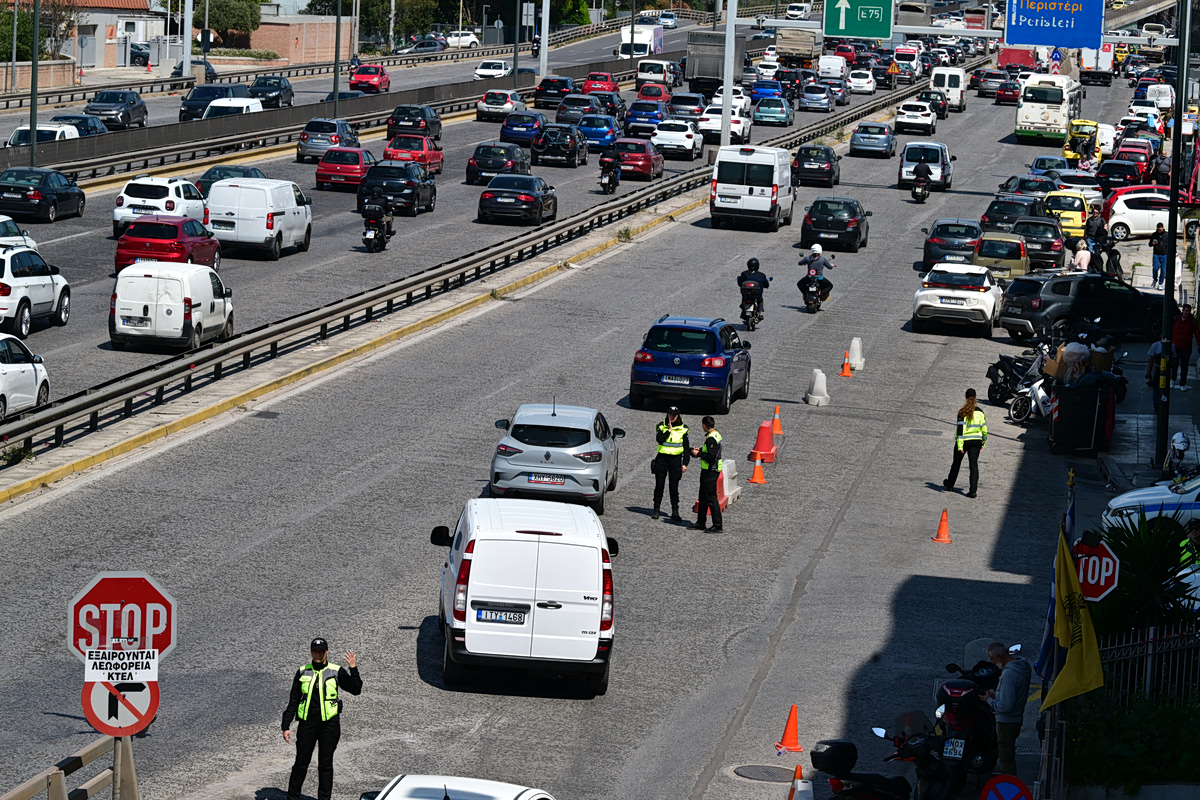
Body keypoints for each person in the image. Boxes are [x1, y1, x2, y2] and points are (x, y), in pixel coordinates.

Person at [283, 638, 363, 800]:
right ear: (311, 652)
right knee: (300, 763)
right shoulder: (302, 671)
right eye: (315, 651)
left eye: (321, 651)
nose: (318, 654)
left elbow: (356, 689)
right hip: (308, 723)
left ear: (327, 652)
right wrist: (286, 725)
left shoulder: (335, 670)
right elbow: (293, 700)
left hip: (329, 724)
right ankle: (292, 798)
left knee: (325, 765)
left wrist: (353, 667)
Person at [985, 641, 1032, 778]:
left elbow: (1006, 706)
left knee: (1006, 757)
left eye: (993, 660)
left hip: (1006, 722)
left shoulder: (1008, 675)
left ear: (999, 658)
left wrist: (989, 700)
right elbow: (1012, 694)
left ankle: (1009, 785)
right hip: (1017, 719)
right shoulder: (1021, 667)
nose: (993, 663)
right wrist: (997, 695)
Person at [944, 388, 986, 498]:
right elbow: (984, 430)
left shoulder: (962, 412)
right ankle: (973, 491)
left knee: (956, 463)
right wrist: (983, 443)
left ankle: (950, 484)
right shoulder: (980, 412)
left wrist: (960, 446)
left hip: (964, 441)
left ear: (965, 397)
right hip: (976, 442)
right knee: (973, 465)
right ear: (976, 398)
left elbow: (960, 431)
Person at [651, 407, 691, 521]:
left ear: (678, 416)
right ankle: (656, 510)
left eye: (674, 415)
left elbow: (686, 448)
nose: (672, 417)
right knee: (659, 486)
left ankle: (675, 511)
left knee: (674, 487)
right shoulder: (661, 426)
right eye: (670, 414)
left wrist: (685, 463)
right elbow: (659, 440)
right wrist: (668, 430)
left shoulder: (684, 429)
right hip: (662, 459)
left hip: (675, 460)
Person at [690, 416, 723, 532]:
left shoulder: (711, 439)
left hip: (710, 471)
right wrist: (700, 450)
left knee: (711, 498)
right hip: (708, 470)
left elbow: (710, 457)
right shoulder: (715, 434)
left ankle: (718, 525)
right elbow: (710, 451)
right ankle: (700, 522)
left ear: (704, 425)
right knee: (703, 497)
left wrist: (697, 454)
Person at [1170, 304, 1200, 390]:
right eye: (1185, 311)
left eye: (1188, 311)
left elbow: (1197, 334)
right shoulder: (1175, 319)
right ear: (1182, 311)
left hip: (1186, 347)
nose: (1187, 313)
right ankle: (1173, 379)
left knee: (1184, 366)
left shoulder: (1192, 322)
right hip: (1175, 347)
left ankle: (1182, 384)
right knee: (1174, 365)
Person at [1146, 338, 1178, 412]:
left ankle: (1163, 402)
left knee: (1164, 387)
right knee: (1156, 387)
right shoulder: (1155, 345)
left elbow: (1174, 360)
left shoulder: (1172, 346)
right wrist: (1149, 372)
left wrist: (1174, 372)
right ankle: (1156, 404)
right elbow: (1151, 359)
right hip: (1157, 369)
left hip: (1166, 369)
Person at [1150, 222, 1169, 289]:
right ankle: (1155, 279)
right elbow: (1150, 244)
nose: (1159, 231)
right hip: (1156, 254)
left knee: (1163, 270)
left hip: (1164, 254)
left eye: (1160, 230)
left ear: (1163, 228)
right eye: (1158, 230)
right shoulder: (1154, 235)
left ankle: (1160, 283)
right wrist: (1153, 243)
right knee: (1155, 268)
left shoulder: (1167, 235)